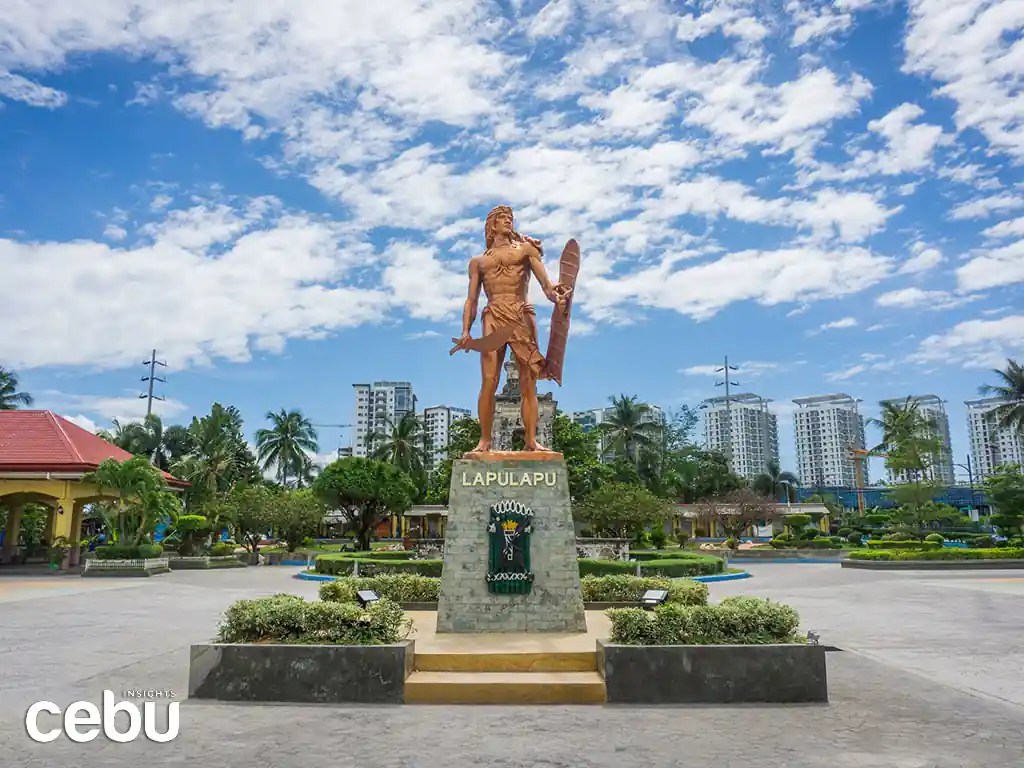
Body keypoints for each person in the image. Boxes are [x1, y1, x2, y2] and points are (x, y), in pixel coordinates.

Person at [451, 205, 570, 452]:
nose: (508, 222)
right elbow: (471, 300)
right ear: (492, 225)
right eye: (503, 219)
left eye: (510, 219)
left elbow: (546, 285)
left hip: (521, 313)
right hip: (493, 315)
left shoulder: (526, 250)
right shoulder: (478, 262)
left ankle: (530, 441)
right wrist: (465, 331)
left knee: (529, 381)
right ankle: (484, 441)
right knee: (489, 380)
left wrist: (555, 296)